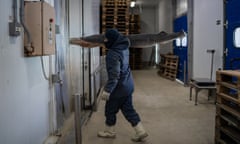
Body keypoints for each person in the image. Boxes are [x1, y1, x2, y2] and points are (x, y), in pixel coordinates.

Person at [97, 28, 148, 142]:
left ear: (112, 40)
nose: (104, 41)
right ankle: (140, 131)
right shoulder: (124, 48)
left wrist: (107, 90)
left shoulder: (112, 54)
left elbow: (114, 75)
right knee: (129, 110)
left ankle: (109, 131)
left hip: (117, 89)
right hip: (128, 86)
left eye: (106, 38)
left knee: (110, 110)